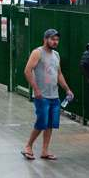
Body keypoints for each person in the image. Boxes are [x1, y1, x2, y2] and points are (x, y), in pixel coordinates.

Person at [21, 29, 73, 161]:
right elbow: (27, 70)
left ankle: (45, 150)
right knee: (41, 122)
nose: (55, 42)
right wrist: (36, 89)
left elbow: (59, 74)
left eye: (57, 39)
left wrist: (67, 89)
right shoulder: (37, 53)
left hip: (54, 95)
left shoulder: (56, 54)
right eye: (52, 39)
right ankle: (28, 146)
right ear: (45, 39)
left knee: (50, 124)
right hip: (42, 95)